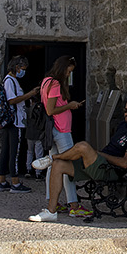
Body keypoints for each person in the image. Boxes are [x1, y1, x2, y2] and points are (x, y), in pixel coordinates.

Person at [29, 96, 127, 222]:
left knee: (83, 146)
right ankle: (51, 211)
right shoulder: (123, 125)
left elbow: (124, 163)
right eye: (125, 110)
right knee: (59, 165)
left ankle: (51, 158)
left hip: (110, 169)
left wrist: (99, 154)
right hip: (100, 164)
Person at [38, 55, 85, 215]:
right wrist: (69, 106)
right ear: (62, 68)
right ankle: (74, 205)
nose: (68, 75)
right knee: (68, 166)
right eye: (68, 71)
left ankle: (53, 201)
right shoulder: (55, 84)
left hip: (54, 129)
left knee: (53, 165)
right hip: (61, 129)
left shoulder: (46, 81)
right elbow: (51, 110)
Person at [0, 55, 39, 193]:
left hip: (10, 121)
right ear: (17, 67)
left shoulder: (10, 80)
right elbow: (12, 100)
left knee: (6, 151)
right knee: (14, 151)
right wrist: (30, 94)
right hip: (14, 121)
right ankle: (15, 182)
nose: (23, 72)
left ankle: (2, 181)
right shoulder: (10, 81)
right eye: (22, 69)